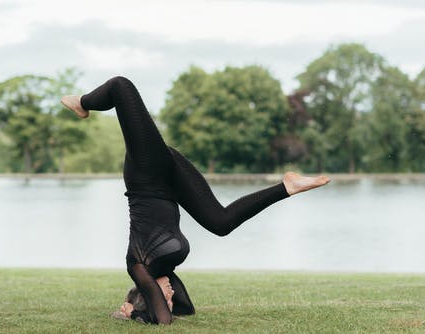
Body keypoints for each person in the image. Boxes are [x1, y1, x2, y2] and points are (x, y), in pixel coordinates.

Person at [61, 76, 329, 325]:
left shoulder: (138, 265)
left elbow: (163, 321)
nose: (172, 293)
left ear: (148, 294)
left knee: (121, 87)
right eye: (169, 294)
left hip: (145, 176)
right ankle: (287, 186)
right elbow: (185, 309)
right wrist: (150, 302)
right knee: (221, 223)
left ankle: (81, 103)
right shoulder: (166, 266)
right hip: (170, 180)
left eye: (165, 295)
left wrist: (132, 312)